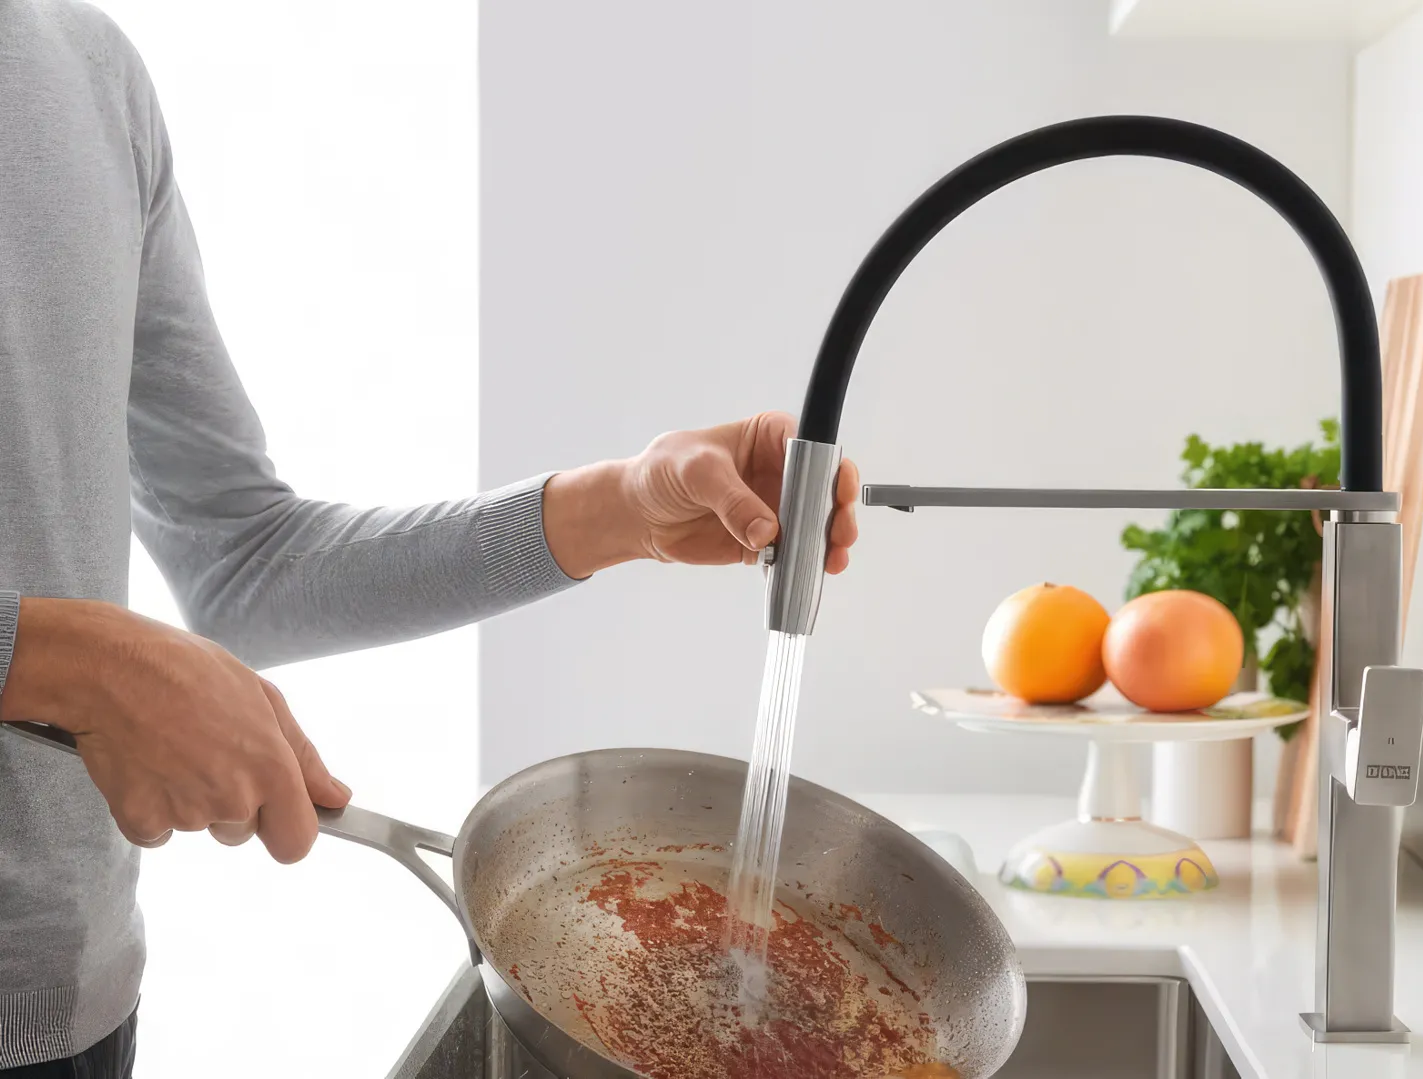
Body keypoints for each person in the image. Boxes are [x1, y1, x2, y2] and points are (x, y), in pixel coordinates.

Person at [0, 2, 859, 1074]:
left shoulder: (86, 69)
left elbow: (240, 560)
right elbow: (73, 649)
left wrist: (617, 509)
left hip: (75, 1009)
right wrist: (65, 658)